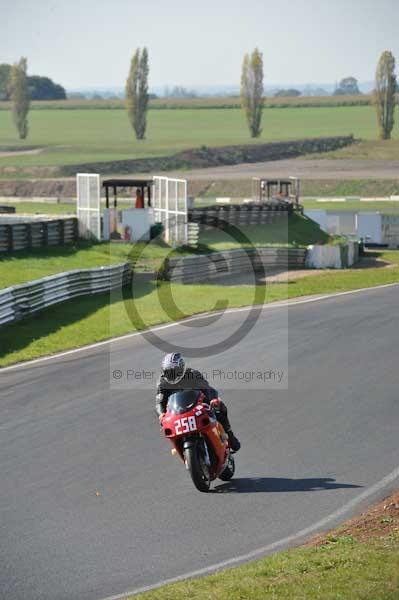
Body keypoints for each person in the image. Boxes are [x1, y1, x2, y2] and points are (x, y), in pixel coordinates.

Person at [155, 352, 241, 452]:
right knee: (166, 424)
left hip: (198, 405)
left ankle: (230, 435)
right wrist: (161, 414)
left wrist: (212, 400)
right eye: (168, 372)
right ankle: (179, 446)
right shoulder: (162, 382)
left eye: (174, 371)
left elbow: (207, 388)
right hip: (178, 412)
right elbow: (159, 402)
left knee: (219, 407)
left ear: (181, 368)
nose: (172, 375)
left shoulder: (192, 374)